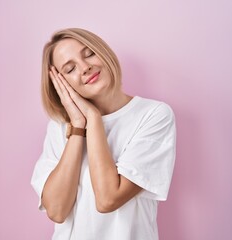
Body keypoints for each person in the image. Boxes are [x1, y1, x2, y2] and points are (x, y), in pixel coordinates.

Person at [31, 28, 176, 240]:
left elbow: (108, 199)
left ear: (103, 52)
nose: (85, 67)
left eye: (89, 53)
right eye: (70, 69)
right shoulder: (60, 127)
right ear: (63, 85)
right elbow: (57, 210)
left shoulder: (153, 115)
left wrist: (94, 119)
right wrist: (79, 126)